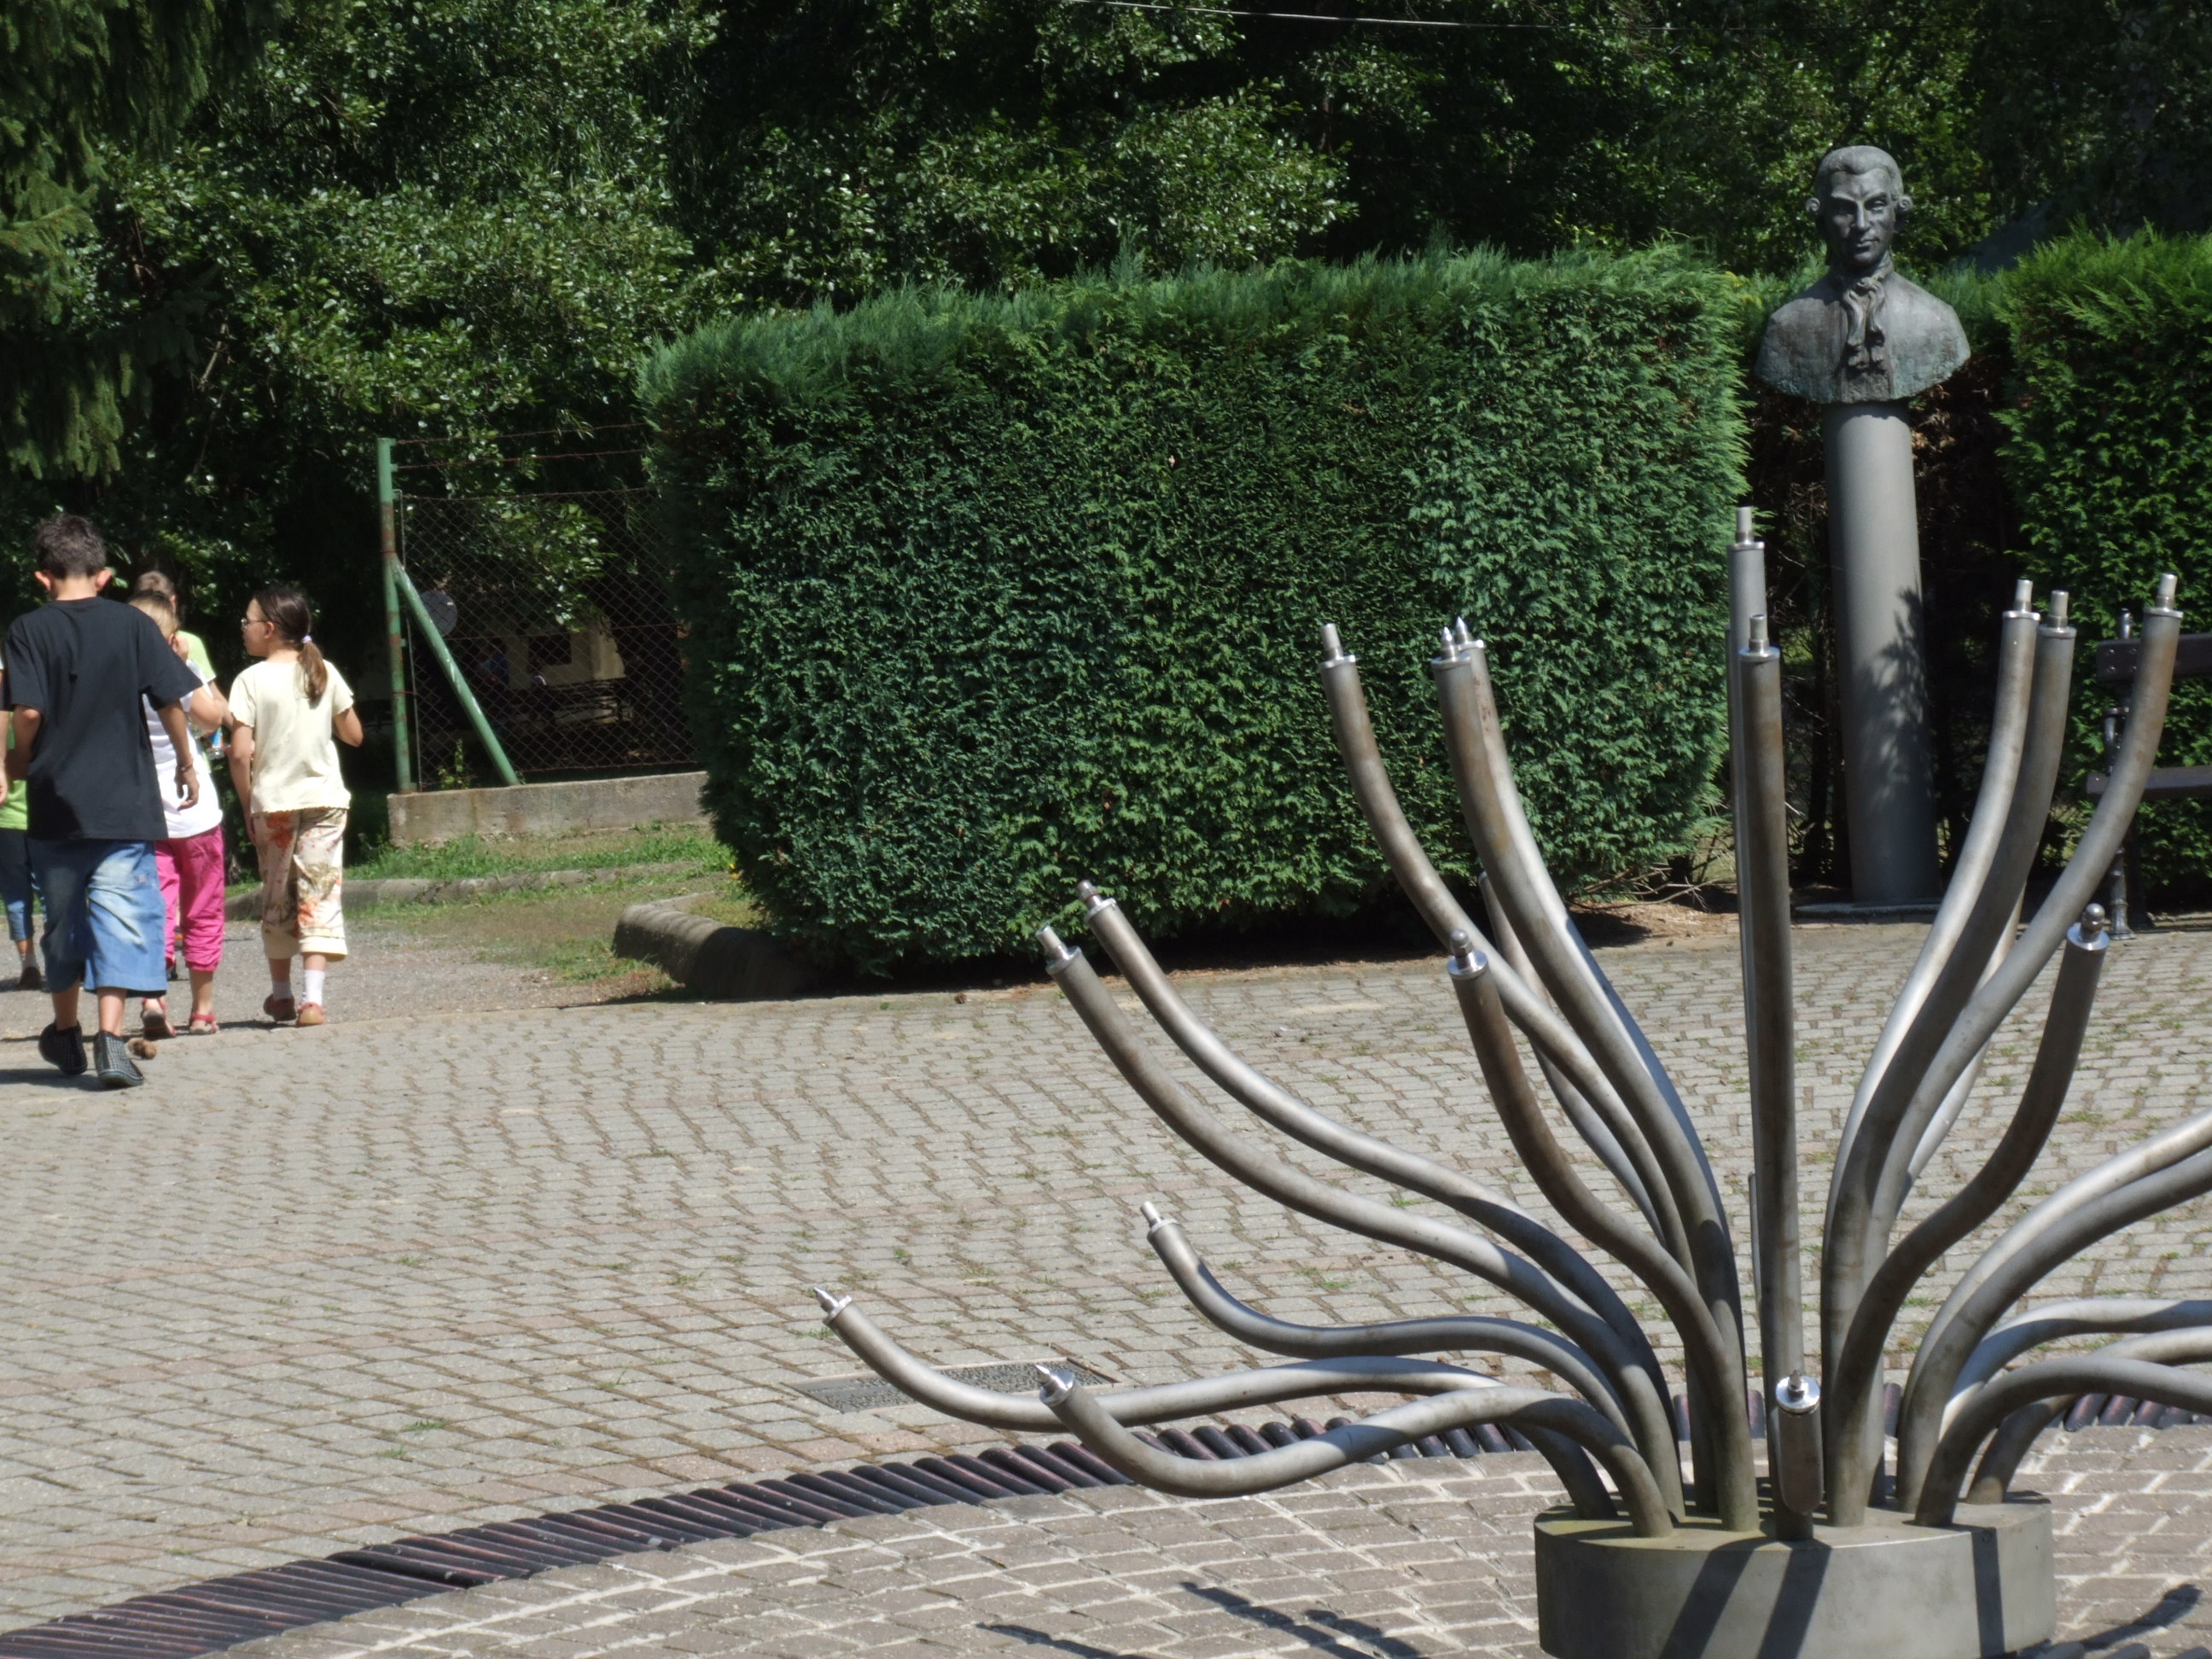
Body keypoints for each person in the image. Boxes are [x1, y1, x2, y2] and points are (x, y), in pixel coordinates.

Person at [3, 514, 202, 1087]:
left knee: (64, 922)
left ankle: (65, 1032)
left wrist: (16, 761)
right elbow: (170, 700)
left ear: (42, 577)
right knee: (123, 917)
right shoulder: (133, 624)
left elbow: (27, 711)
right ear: (106, 576)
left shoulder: (27, 629)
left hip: (55, 804)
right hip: (125, 803)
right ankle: (111, 1042)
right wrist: (186, 761)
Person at [229, 587, 362, 1026]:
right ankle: (313, 1000)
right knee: (319, 890)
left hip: (274, 804)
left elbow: (239, 753)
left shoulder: (250, 680)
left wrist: (248, 805)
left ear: (268, 629)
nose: (243, 628)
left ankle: (282, 996)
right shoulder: (323, 670)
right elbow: (354, 735)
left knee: (277, 893)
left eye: (247, 622)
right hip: (325, 800)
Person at [129, 592, 229, 1037]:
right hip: (196, 815)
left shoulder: (117, 679)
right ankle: (203, 1011)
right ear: (171, 639)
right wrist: (190, 667)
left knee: (154, 908)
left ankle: (153, 998)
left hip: (145, 814)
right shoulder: (174, 672)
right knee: (203, 906)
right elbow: (213, 718)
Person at [0, 660, 38, 989]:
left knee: (16, 893)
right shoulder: (37, 706)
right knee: (55, 892)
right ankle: (66, 960)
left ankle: (29, 964)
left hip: (6, 816)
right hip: (45, 813)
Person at [130, 570, 217, 679]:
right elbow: (209, 689)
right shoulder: (188, 642)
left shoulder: (122, 641)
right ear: (173, 602)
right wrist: (180, 665)